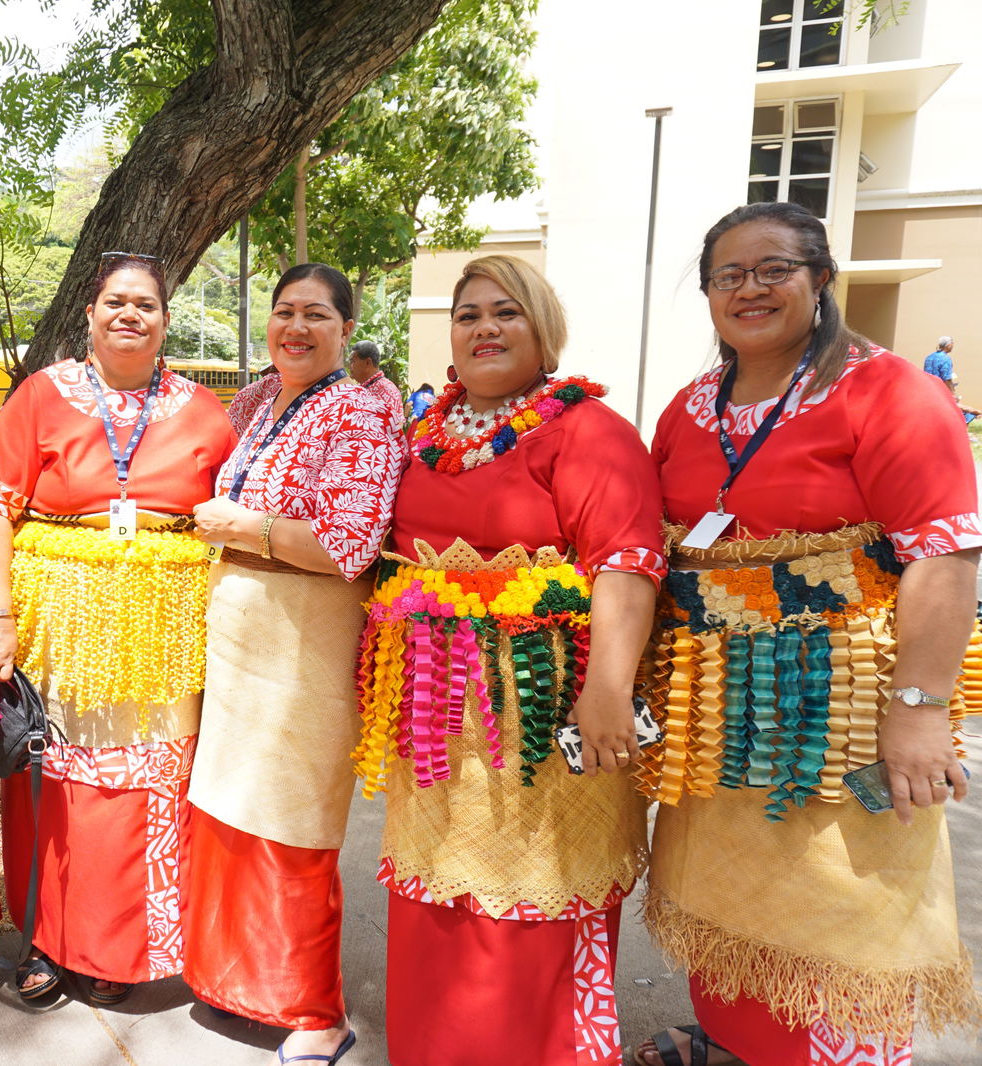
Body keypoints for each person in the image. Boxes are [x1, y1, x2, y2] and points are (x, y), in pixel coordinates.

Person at [635, 201, 982, 1066]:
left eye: (773, 269)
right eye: (728, 275)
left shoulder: (891, 390)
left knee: (840, 904)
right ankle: (733, 1042)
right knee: (726, 899)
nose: (749, 289)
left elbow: (944, 554)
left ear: (820, 279)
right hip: (714, 712)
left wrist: (919, 709)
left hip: (843, 714)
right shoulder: (687, 408)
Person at [352, 254, 664, 1066]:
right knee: (438, 898)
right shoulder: (423, 433)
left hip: (541, 712)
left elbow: (627, 564)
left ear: (543, 329)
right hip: (431, 712)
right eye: (468, 316)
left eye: (506, 313)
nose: (484, 328)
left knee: (535, 897)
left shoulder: (590, 431)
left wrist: (607, 692)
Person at [0, 251, 235, 1006]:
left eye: (145, 304)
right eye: (115, 301)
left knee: (148, 787)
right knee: (55, 784)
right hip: (59, 626)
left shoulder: (204, 410)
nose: (129, 315)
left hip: (165, 637)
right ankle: (47, 940)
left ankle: (131, 949)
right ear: (88, 313)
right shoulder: (43, 395)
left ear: (166, 321)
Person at [186, 263, 406, 1065]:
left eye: (317, 314)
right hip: (242, 628)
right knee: (230, 803)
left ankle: (317, 1011)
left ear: (348, 327)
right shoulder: (253, 401)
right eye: (284, 312)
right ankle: (237, 983)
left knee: (295, 820)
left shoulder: (361, 410)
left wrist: (241, 526)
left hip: (306, 634)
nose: (297, 328)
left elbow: (348, 545)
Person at [347, 339, 405, 433]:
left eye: (353, 361)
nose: (350, 366)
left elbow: (394, 429)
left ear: (367, 363)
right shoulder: (365, 387)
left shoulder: (386, 390)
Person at [922, 335, 978, 423]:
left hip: (928, 391)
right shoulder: (945, 358)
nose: (953, 346)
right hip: (941, 392)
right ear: (948, 345)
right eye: (952, 343)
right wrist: (953, 394)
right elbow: (947, 379)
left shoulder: (929, 358)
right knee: (962, 415)